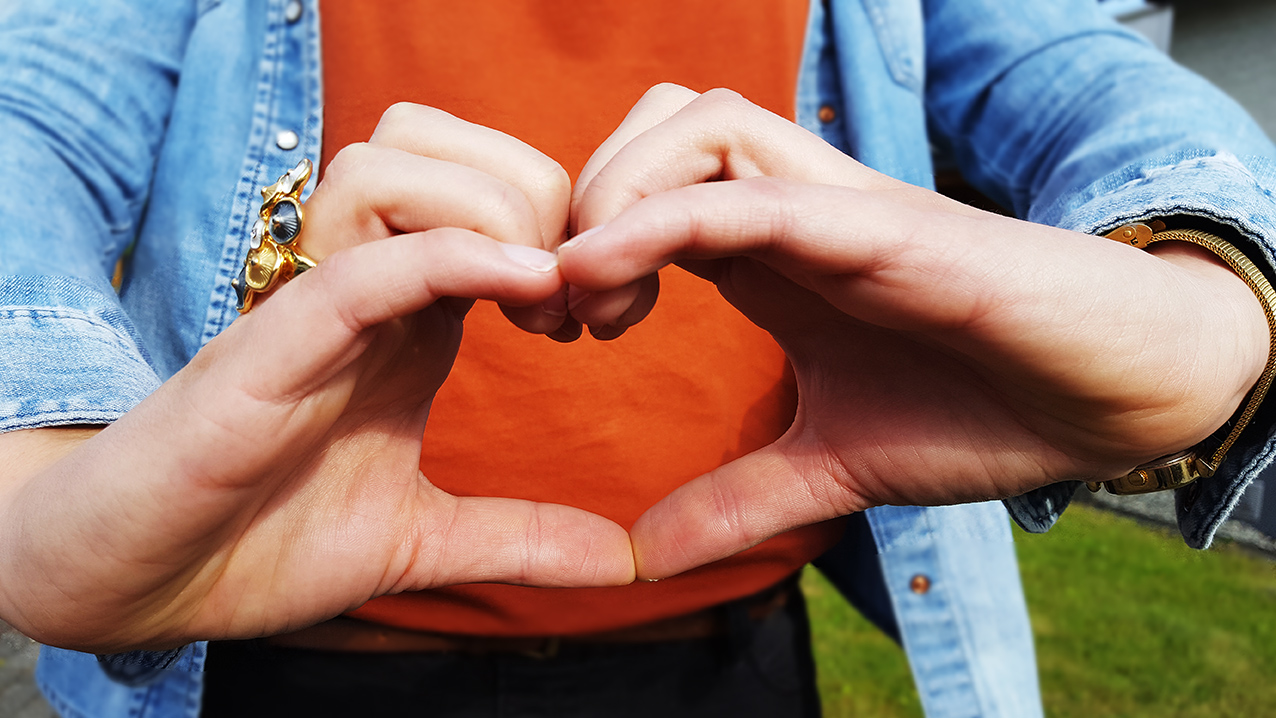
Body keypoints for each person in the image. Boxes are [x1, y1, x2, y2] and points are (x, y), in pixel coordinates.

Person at [1, 1, 1270, 717]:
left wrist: (1208, 299)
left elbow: (1089, 78)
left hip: (729, 667)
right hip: (291, 675)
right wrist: (44, 458)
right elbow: (31, 123)